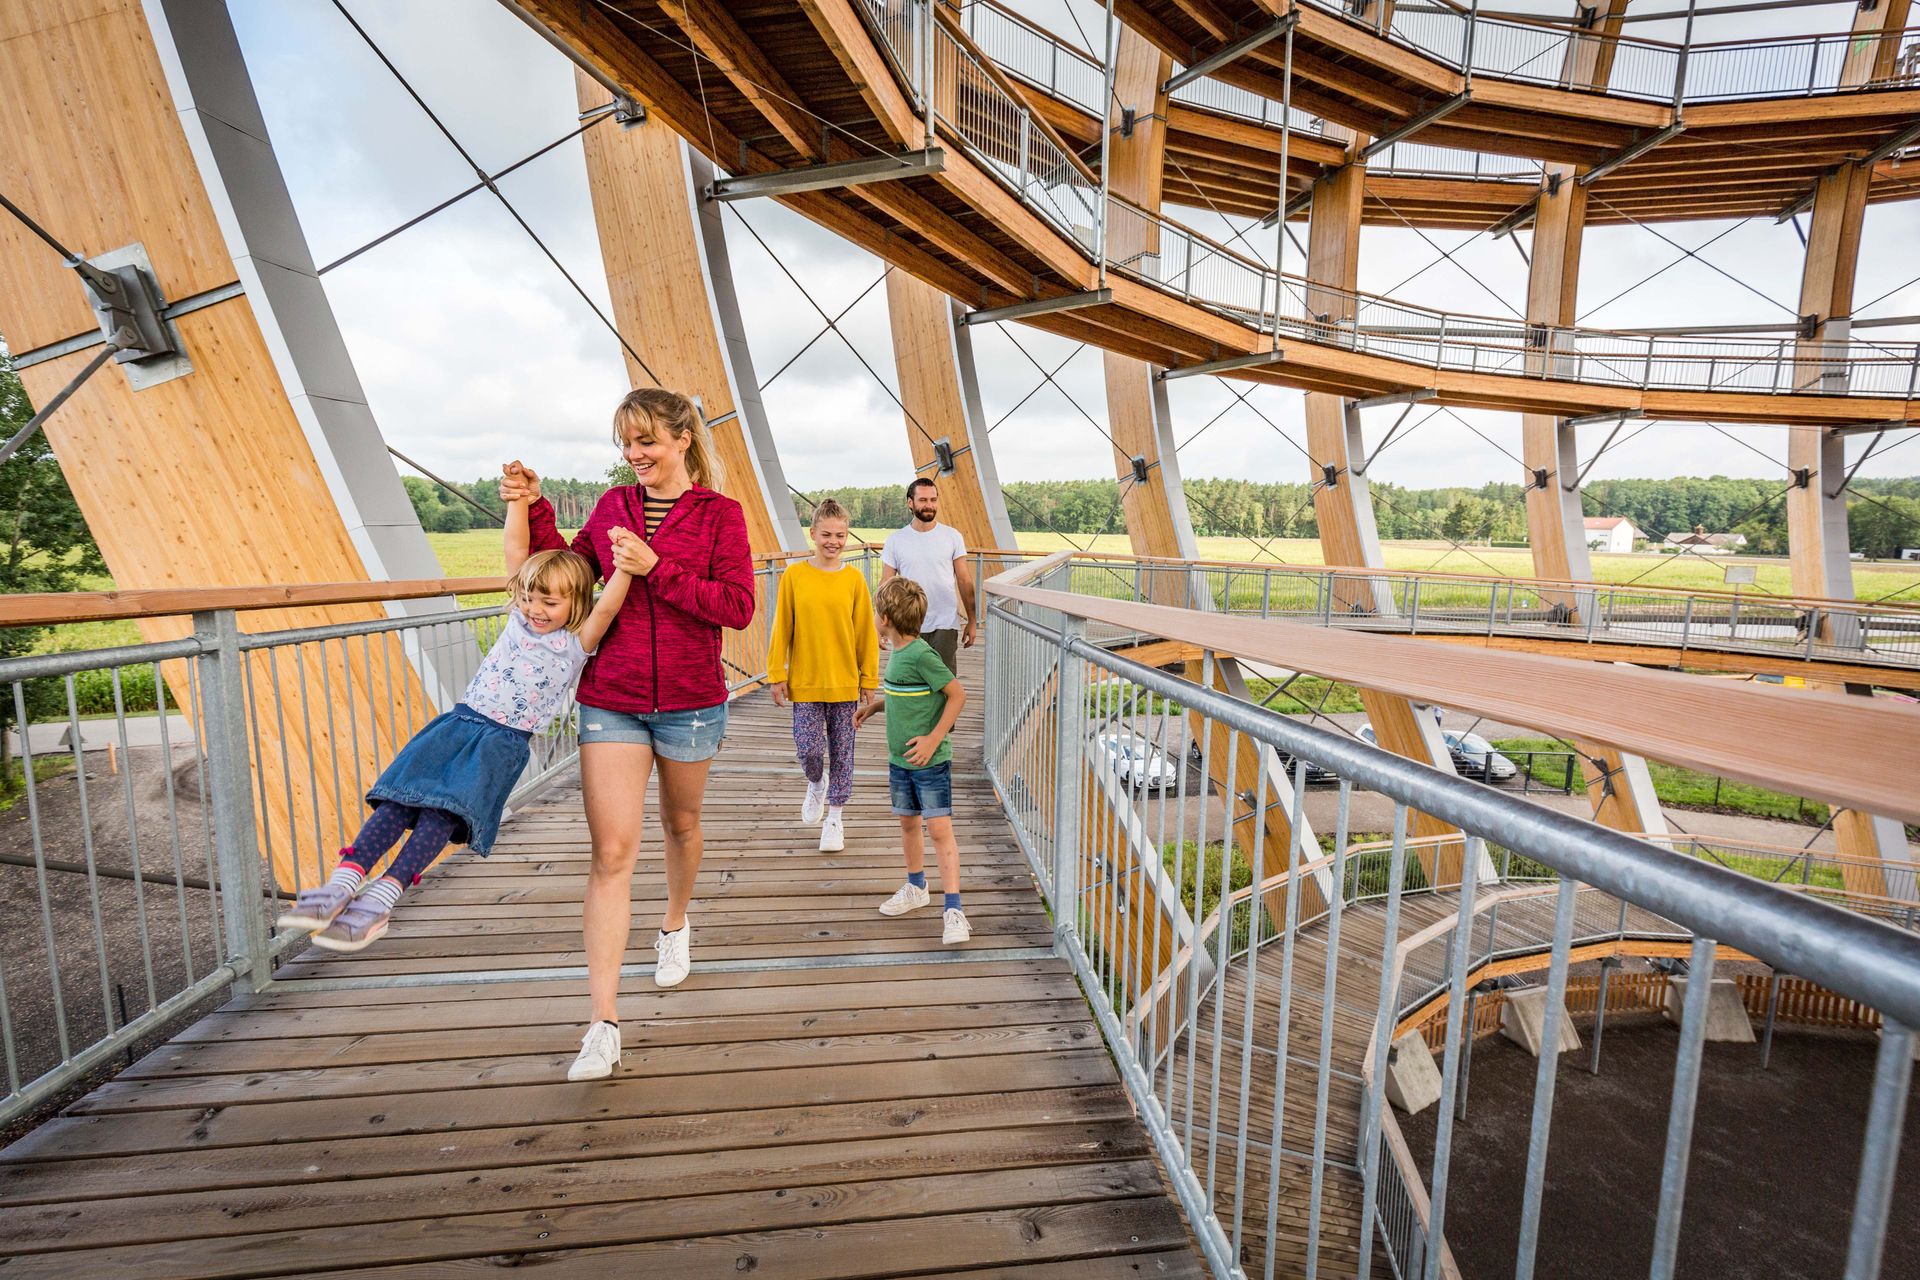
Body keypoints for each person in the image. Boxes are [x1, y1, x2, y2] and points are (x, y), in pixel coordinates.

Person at [500, 387, 756, 1083]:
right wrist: (534, 506)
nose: (634, 454)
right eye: (626, 443)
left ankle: (674, 923)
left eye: (646, 441)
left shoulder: (720, 515)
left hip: (690, 700)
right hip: (610, 697)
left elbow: (737, 606)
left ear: (681, 440)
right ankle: (603, 1024)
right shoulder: (613, 506)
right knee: (611, 852)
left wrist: (657, 570)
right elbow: (569, 569)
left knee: (681, 824)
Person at [276, 527, 636, 951]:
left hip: (501, 742)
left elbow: (608, 607)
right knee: (399, 799)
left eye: (549, 603)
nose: (534, 609)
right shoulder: (518, 621)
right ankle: (341, 884)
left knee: (442, 816)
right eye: (527, 598)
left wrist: (626, 566)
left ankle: (379, 902)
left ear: (576, 604)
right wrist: (518, 501)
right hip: (459, 723)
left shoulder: (576, 642)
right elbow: (515, 552)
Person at [857, 577, 970, 945]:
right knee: (908, 824)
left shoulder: (922, 655)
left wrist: (933, 738)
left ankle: (953, 909)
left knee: (939, 829)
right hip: (900, 760)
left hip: (930, 761)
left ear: (885, 619)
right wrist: (876, 707)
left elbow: (957, 695)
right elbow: (906, 693)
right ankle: (916, 887)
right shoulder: (899, 652)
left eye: (876, 612)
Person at [767, 498, 879, 853]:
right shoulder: (794, 577)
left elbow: (865, 633)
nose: (834, 541)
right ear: (813, 533)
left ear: (847, 536)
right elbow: (781, 628)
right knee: (809, 749)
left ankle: (835, 818)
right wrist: (776, 672)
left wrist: (869, 679)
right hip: (806, 681)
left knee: (843, 753)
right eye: (827, 534)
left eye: (840, 535)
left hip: (844, 683)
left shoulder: (854, 580)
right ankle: (816, 783)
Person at [879, 478, 975, 678]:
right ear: (910, 502)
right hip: (907, 623)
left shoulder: (953, 536)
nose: (929, 505)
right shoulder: (896, 540)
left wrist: (972, 621)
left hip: (945, 623)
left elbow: (964, 581)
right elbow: (885, 585)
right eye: (923, 500)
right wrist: (879, 625)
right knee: (911, 680)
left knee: (944, 682)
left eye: (933, 499)